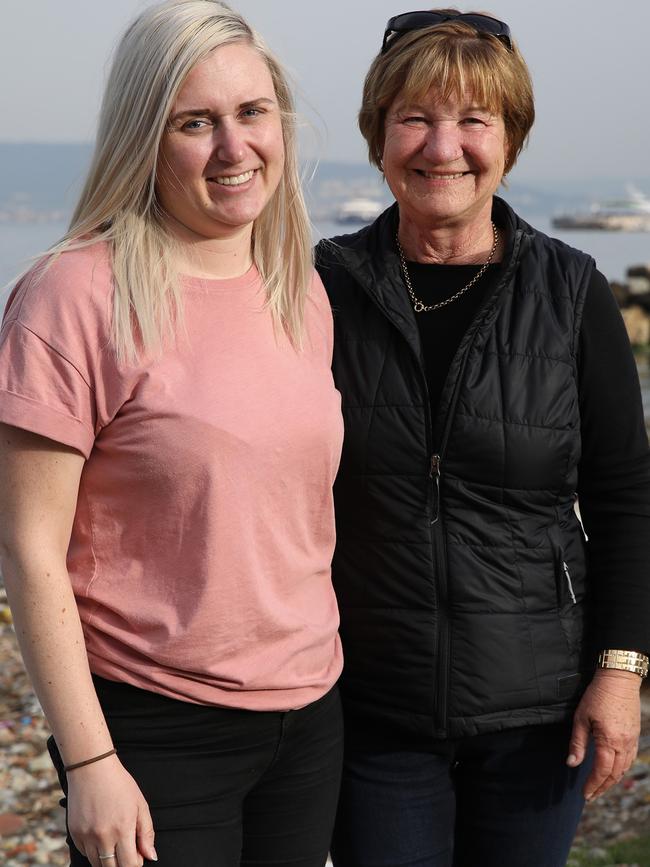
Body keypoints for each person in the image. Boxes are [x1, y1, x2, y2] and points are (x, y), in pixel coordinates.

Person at [0, 2, 344, 866]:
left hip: (310, 723)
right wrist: (89, 759)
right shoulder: (71, 297)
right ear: (144, 138)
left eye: (253, 113)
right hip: (155, 732)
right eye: (197, 123)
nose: (235, 149)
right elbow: (29, 549)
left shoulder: (298, 291)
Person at [315, 9, 650, 866]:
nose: (443, 146)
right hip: (372, 709)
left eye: (474, 120)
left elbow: (624, 496)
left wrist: (620, 670)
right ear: (379, 137)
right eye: (415, 118)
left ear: (510, 140)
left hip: (540, 715)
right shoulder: (322, 288)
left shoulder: (572, 291)